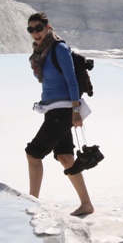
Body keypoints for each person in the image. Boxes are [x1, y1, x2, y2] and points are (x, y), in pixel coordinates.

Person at [25, 12, 94, 216]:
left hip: (63, 110)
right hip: (53, 110)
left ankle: (32, 202)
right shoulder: (42, 51)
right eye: (31, 29)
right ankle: (86, 204)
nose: (35, 33)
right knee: (65, 157)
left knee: (33, 153)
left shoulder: (59, 48)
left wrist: (75, 111)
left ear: (48, 27)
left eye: (38, 28)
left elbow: (71, 81)